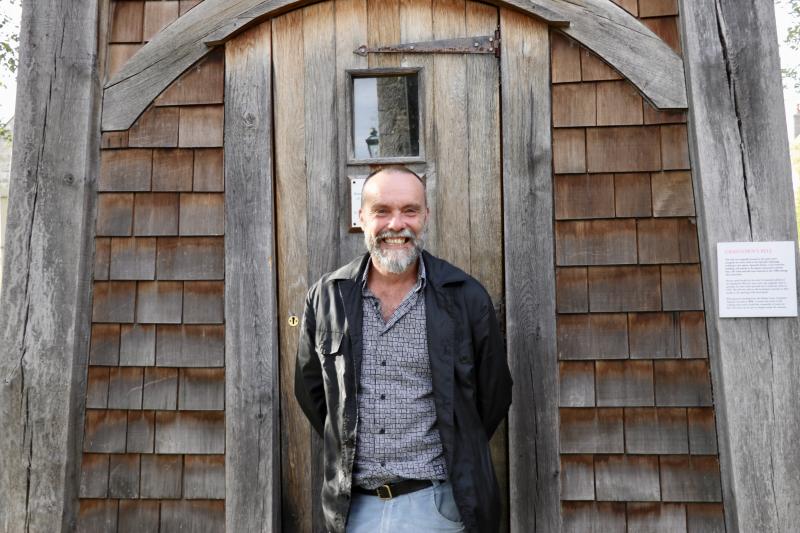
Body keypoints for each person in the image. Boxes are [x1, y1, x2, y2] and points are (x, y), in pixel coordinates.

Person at [294, 166, 512, 533]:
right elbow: (313, 392)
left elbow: (492, 397)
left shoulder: (466, 298)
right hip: (353, 512)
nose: (397, 224)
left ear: (425, 216)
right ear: (361, 217)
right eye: (381, 211)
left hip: (440, 508)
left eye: (409, 210)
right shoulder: (327, 296)